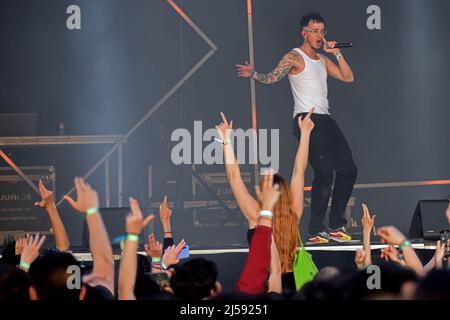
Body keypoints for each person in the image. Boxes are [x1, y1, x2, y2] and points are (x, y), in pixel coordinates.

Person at [236, 12, 357, 243]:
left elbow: (348, 77)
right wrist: (253, 73)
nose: (320, 36)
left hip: (326, 119)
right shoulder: (294, 56)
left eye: (322, 31)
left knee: (349, 170)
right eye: (315, 31)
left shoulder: (322, 60)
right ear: (304, 33)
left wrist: (337, 53)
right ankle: (314, 230)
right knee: (324, 173)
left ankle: (333, 225)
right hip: (307, 119)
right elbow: (272, 77)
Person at [215, 110, 314, 292]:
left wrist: (226, 140)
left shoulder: (257, 216)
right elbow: (300, 170)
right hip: (292, 285)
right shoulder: (295, 211)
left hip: (265, 286)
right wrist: (306, 133)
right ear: (284, 191)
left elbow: (233, 177)